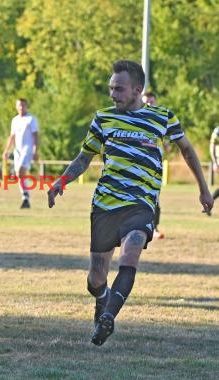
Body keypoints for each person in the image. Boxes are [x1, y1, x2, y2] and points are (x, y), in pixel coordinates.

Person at [47, 60, 213, 346]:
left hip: (141, 204)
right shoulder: (103, 118)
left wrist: (203, 188)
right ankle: (102, 300)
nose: (113, 94)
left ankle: (108, 317)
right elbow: (84, 157)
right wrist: (61, 181)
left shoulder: (163, 118)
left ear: (137, 90)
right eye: (111, 88)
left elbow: (187, 150)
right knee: (96, 278)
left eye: (119, 89)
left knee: (131, 251)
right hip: (105, 204)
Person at [2, 98, 39, 208]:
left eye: (23, 105)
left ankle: (26, 196)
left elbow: (36, 135)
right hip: (17, 150)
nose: (21, 107)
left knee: (20, 172)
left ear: (27, 106)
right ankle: (25, 198)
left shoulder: (31, 119)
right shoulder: (15, 120)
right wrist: (6, 150)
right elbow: (12, 136)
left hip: (27, 150)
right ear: (16, 107)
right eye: (19, 105)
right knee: (19, 175)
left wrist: (35, 150)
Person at [141, 91, 168, 238]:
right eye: (146, 102)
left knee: (155, 198)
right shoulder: (136, 121)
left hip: (155, 167)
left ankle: (154, 228)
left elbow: (167, 143)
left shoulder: (161, 121)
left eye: (152, 102)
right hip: (138, 166)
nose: (149, 105)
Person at [210, 125, 219, 212]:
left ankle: (209, 202)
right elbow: (212, 147)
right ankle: (209, 202)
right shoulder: (217, 130)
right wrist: (215, 163)